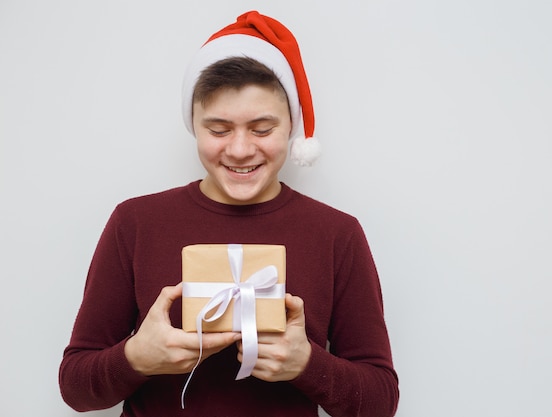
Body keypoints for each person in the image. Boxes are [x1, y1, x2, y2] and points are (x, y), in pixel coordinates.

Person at [59, 10, 399, 417]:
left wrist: (309, 365)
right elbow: (75, 387)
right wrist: (135, 357)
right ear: (194, 127)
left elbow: (380, 401)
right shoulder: (134, 222)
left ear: (291, 126)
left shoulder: (336, 233)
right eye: (218, 130)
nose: (239, 150)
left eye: (261, 129)